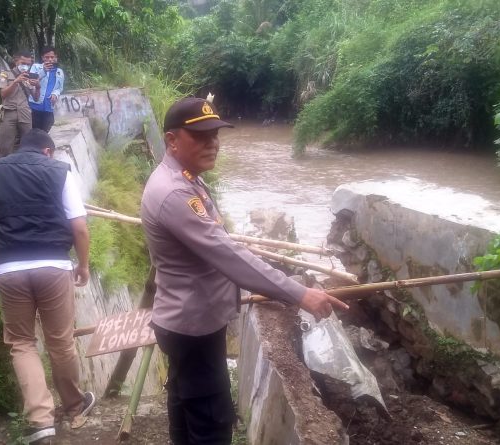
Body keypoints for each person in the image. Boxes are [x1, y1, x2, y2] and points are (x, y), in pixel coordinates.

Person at [140, 97, 350, 444]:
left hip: (183, 322)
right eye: (201, 137)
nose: (213, 144)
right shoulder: (175, 193)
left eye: (215, 135)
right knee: (212, 423)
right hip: (194, 328)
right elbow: (230, 257)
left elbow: (218, 244)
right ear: (172, 140)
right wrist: (300, 293)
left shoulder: (182, 178)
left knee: (185, 405)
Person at [0, 129, 95, 444]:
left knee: (22, 344)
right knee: (60, 341)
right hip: (53, 265)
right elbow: (79, 227)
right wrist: (82, 266)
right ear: (48, 152)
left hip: (10, 267)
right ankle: (73, 407)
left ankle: (40, 420)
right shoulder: (59, 171)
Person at [0, 51, 39, 156]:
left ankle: (25, 167)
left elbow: (36, 97)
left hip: (25, 112)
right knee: (6, 145)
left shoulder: (30, 76)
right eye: (23, 63)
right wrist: (16, 81)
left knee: (28, 144)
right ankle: (5, 168)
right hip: (8, 112)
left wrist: (38, 86)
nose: (25, 66)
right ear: (16, 62)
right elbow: (3, 94)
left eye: (28, 64)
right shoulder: (5, 74)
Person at [28, 47, 64, 132]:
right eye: (47, 57)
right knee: (35, 132)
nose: (50, 59)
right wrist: (44, 71)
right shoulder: (36, 67)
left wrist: (55, 93)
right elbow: (32, 82)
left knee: (46, 132)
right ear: (42, 58)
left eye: (52, 57)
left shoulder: (59, 72)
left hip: (49, 106)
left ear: (56, 57)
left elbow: (60, 88)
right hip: (35, 106)